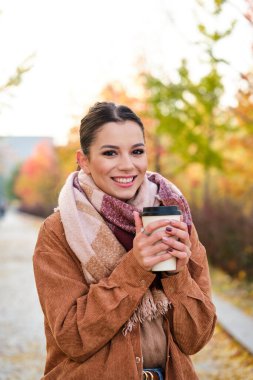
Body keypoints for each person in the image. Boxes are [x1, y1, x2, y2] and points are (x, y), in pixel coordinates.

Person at [33, 101, 216, 380]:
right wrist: (135, 268)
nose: (127, 165)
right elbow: (72, 338)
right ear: (83, 160)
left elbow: (196, 340)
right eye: (110, 153)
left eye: (137, 151)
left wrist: (178, 276)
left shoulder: (175, 218)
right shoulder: (60, 230)